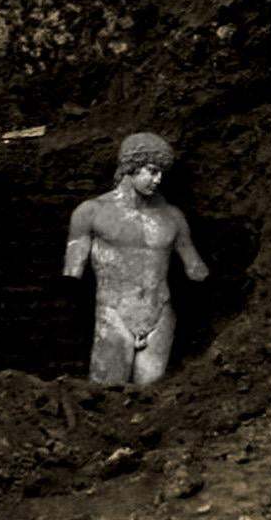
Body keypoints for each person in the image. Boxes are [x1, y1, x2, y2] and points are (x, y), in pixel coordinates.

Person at [63, 133, 208, 385]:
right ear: (130, 167)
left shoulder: (172, 217)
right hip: (114, 313)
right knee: (106, 397)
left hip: (160, 315)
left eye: (161, 172)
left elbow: (196, 270)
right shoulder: (92, 212)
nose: (158, 179)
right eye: (152, 171)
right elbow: (72, 272)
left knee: (150, 404)